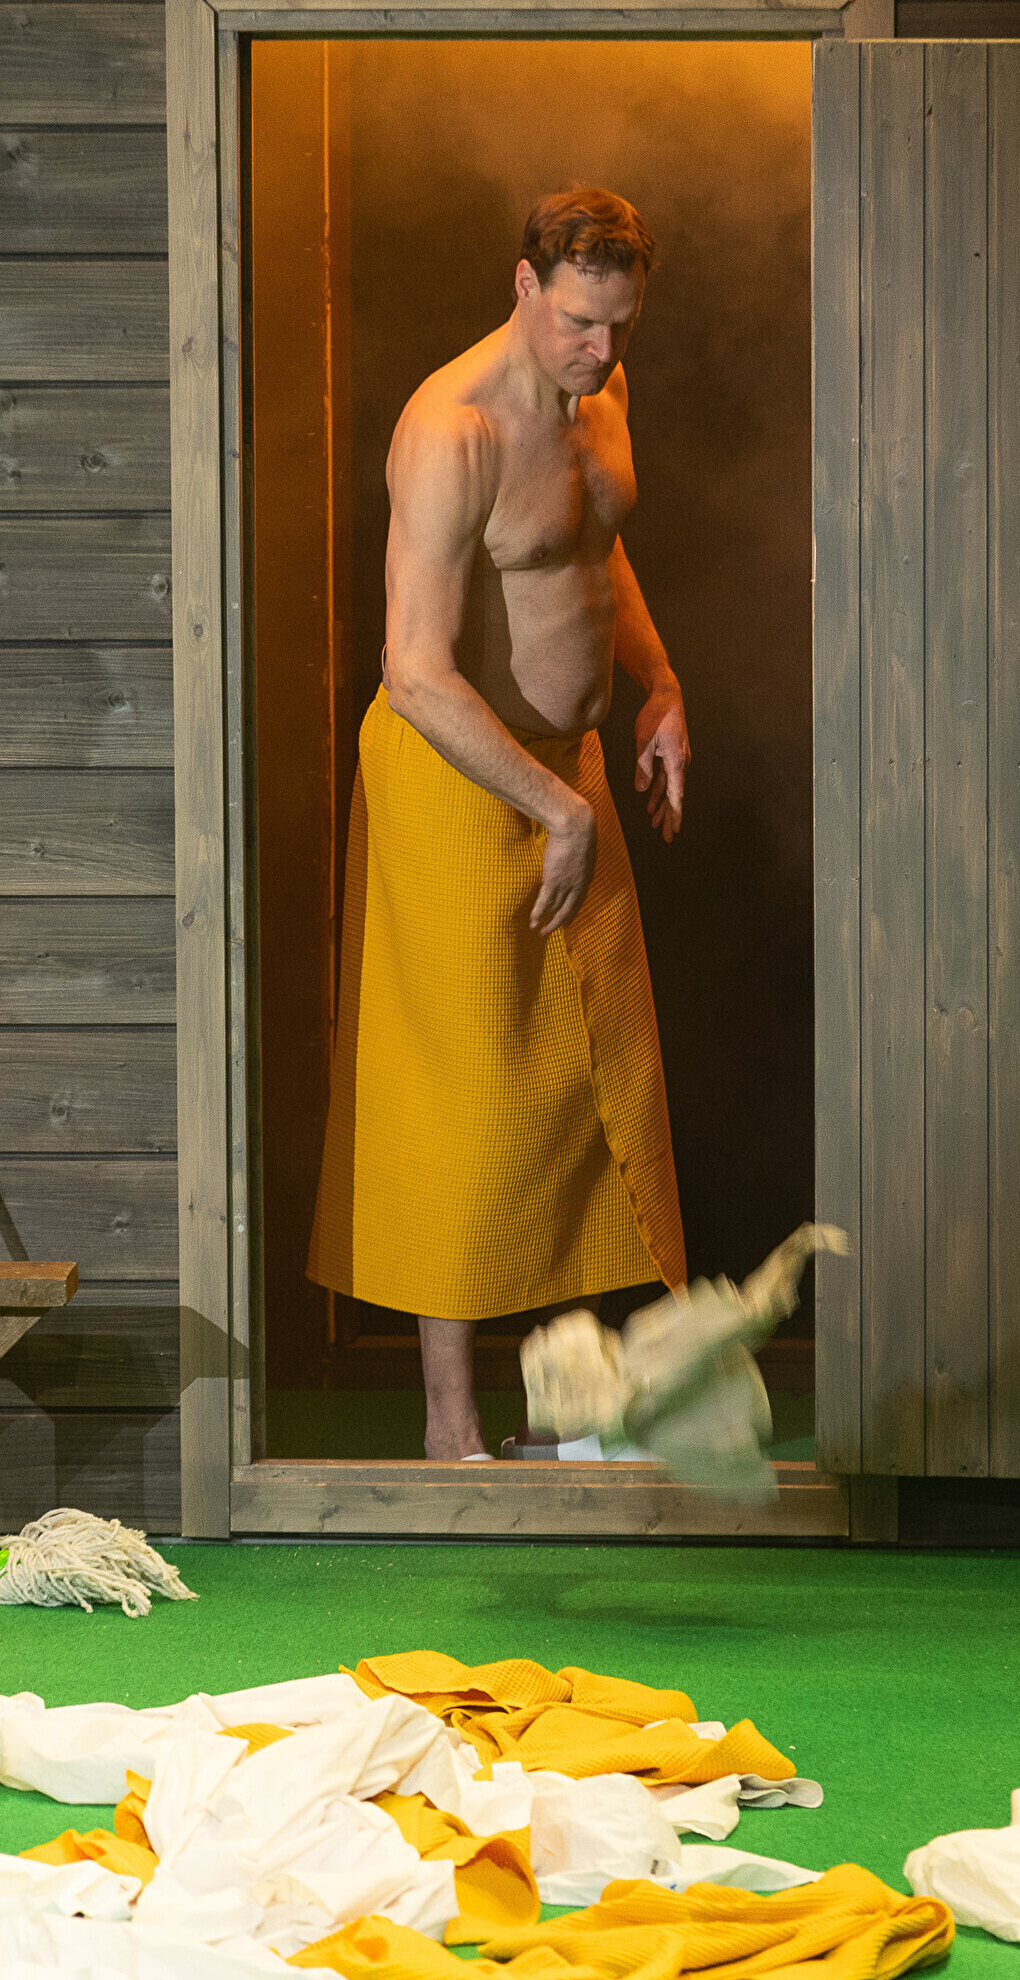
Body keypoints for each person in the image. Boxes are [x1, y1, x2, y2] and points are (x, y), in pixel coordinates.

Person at [309, 187, 690, 1462]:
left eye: (620, 325)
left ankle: (565, 1416)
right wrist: (555, 808)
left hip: (565, 773)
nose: (601, 348)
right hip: (453, 776)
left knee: (582, 1083)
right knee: (466, 1094)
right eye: (579, 321)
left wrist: (660, 684)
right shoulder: (452, 429)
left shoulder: (602, 391)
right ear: (524, 285)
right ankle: (452, 1429)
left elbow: (594, 551)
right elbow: (414, 671)